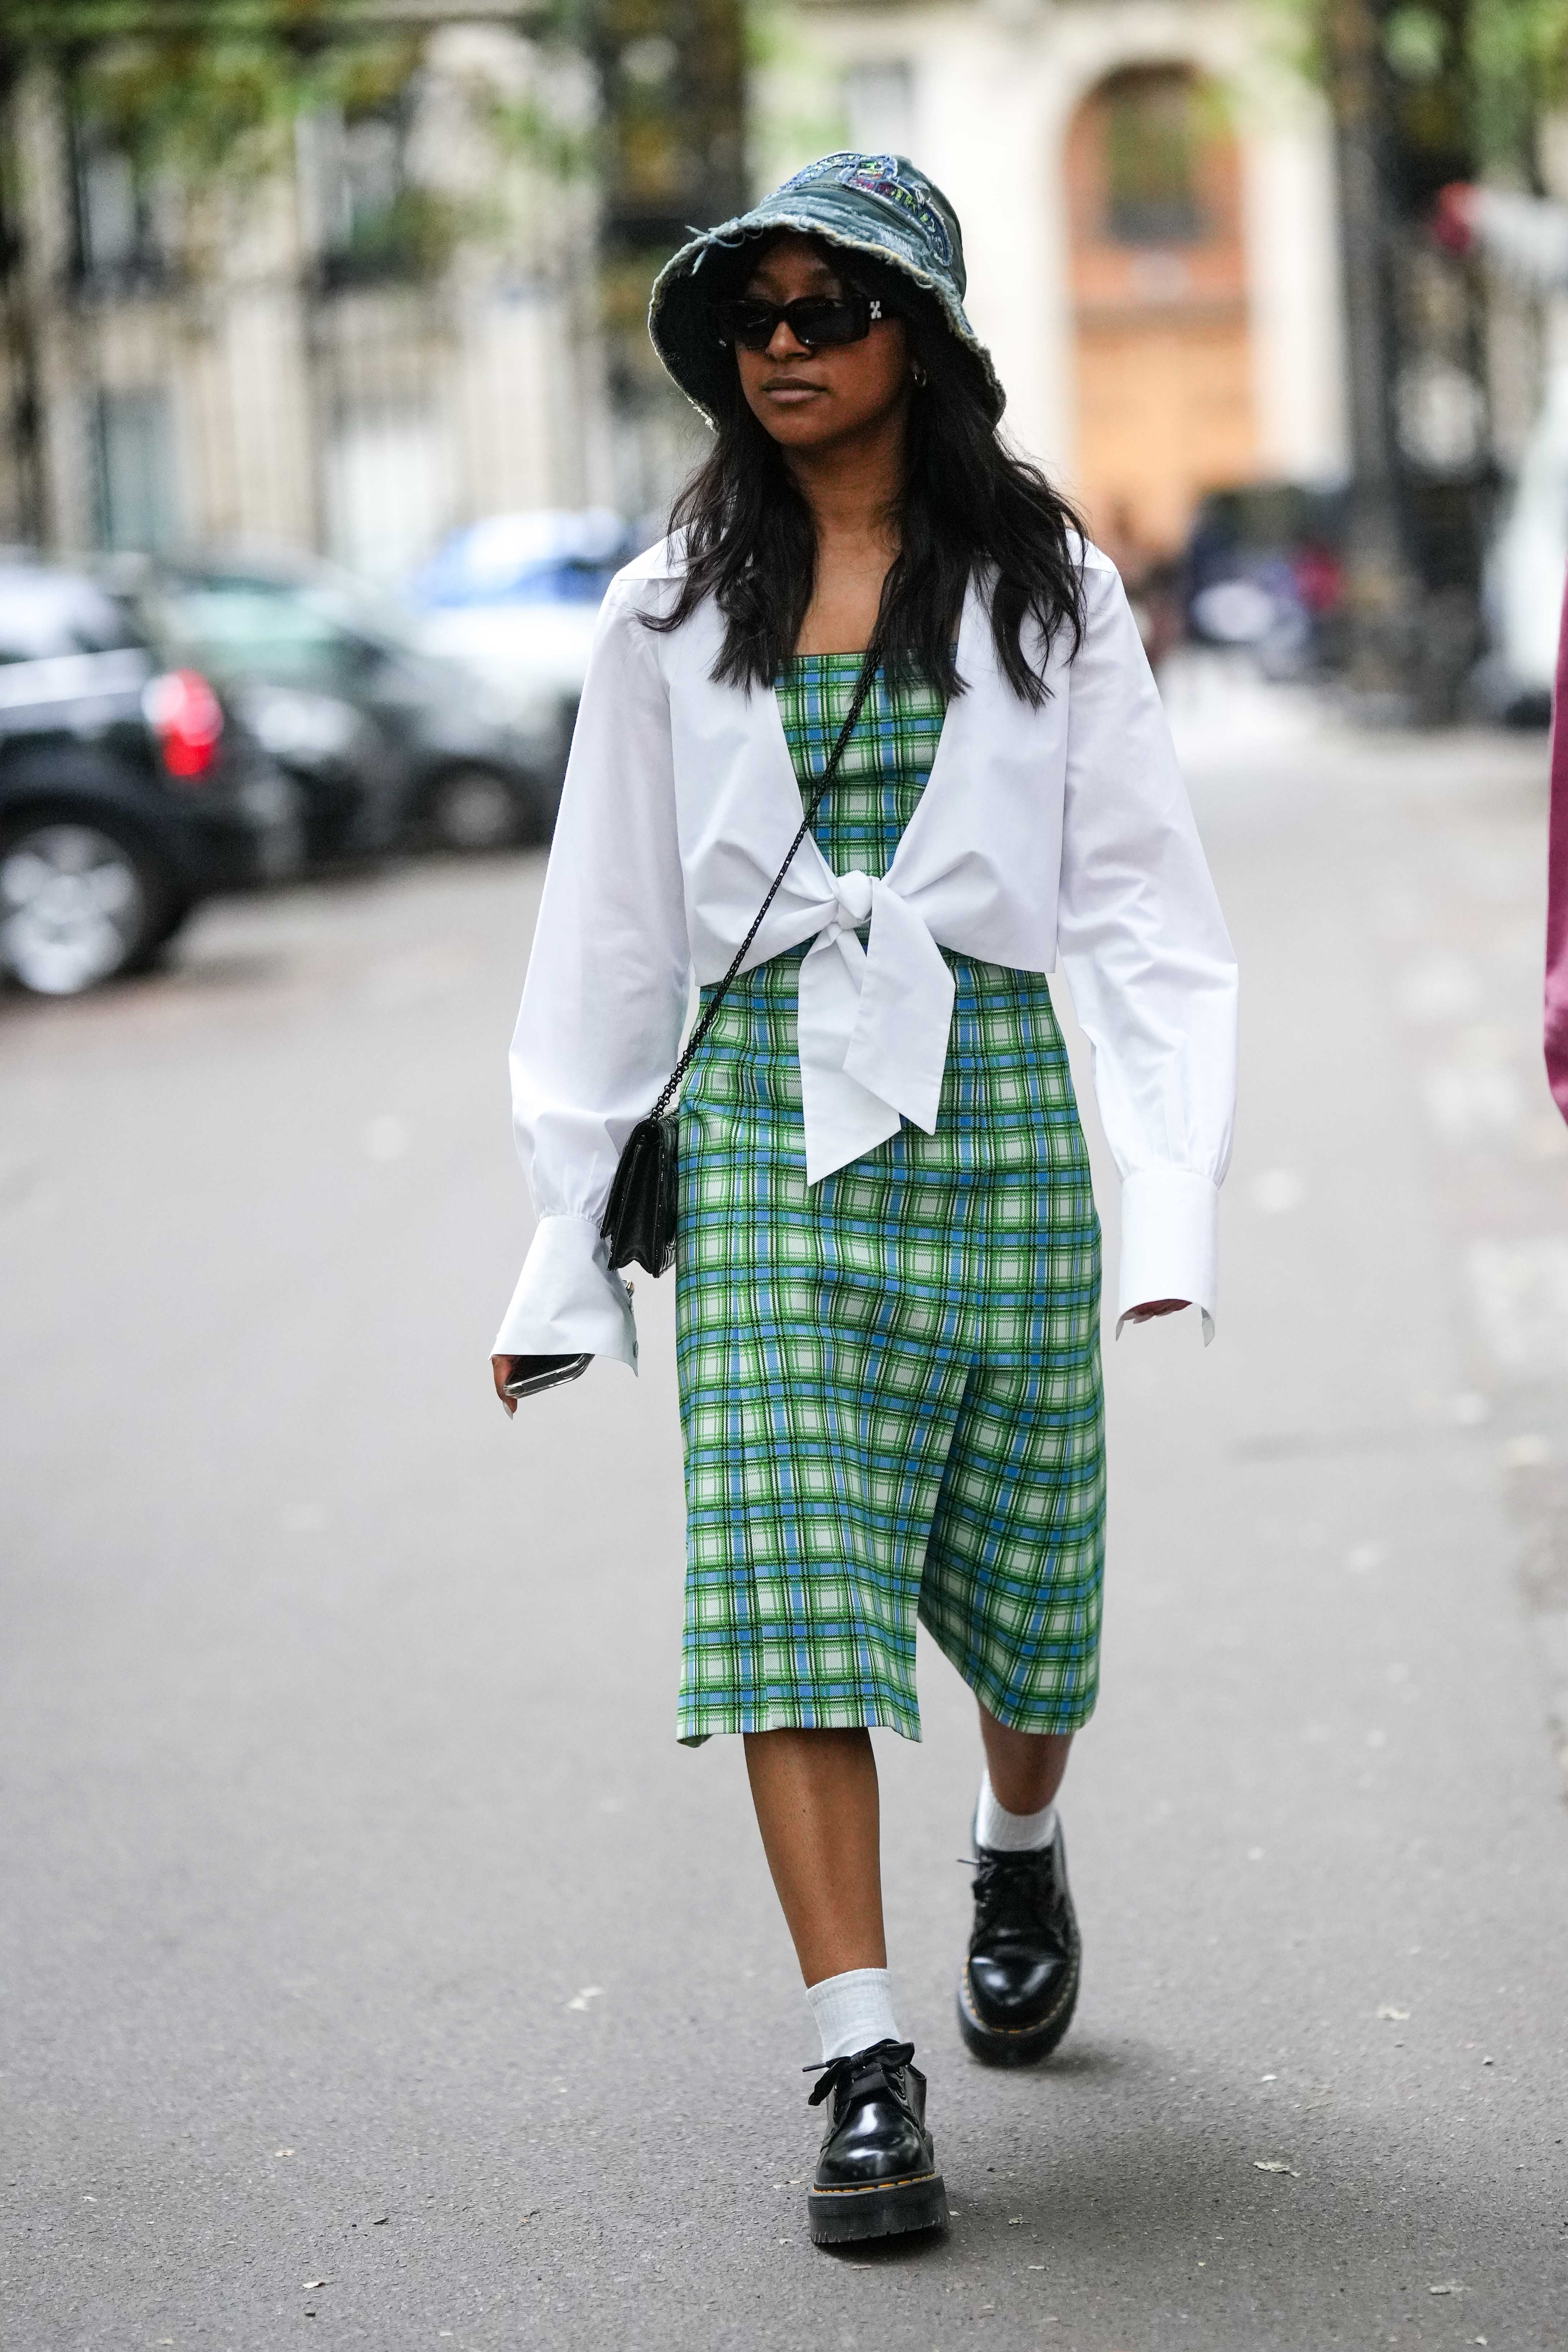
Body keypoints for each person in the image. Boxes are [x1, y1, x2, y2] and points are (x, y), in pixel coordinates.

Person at [490, 153, 1238, 2246]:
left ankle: (1021, 1833)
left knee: (1036, 1605)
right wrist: (567, 1242)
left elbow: (1149, 920)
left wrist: (1169, 1199)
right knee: (785, 1588)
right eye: (760, 319)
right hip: (760, 1133)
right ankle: (861, 2055)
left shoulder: (1044, 586)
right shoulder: (663, 608)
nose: (791, 346)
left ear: (924, 338)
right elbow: (610, 936)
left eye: (832, 310)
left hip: (993, 1102)